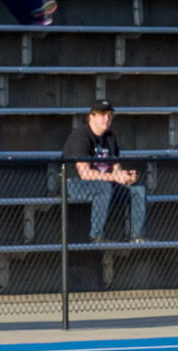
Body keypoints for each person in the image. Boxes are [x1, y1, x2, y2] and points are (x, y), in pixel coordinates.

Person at [62, 100, 146, 244]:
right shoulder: (81, 136)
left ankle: (137, 237)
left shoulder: (110, 137)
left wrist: (124, 176)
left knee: (137, 189)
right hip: (75, 184)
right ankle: (96, 237)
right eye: (102, 115)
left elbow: (116, 167)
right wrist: (114, 177)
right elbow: (85, 174)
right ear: (91, 116)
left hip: (105, 183)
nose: (107, 118)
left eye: (110, 115)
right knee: (103, 188)